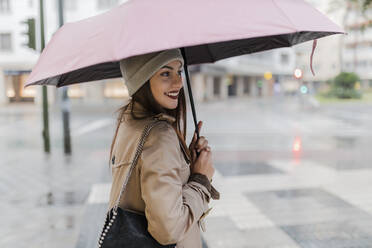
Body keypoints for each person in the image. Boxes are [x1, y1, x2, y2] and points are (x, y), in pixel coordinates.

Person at [107, 48, 220, 248]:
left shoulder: (129, 123)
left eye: (179, 71)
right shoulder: (159, 135)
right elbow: (169, 230)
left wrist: (186, 164)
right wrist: (200, 180)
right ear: (141, 79)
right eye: (165, 73)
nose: (178, 83)